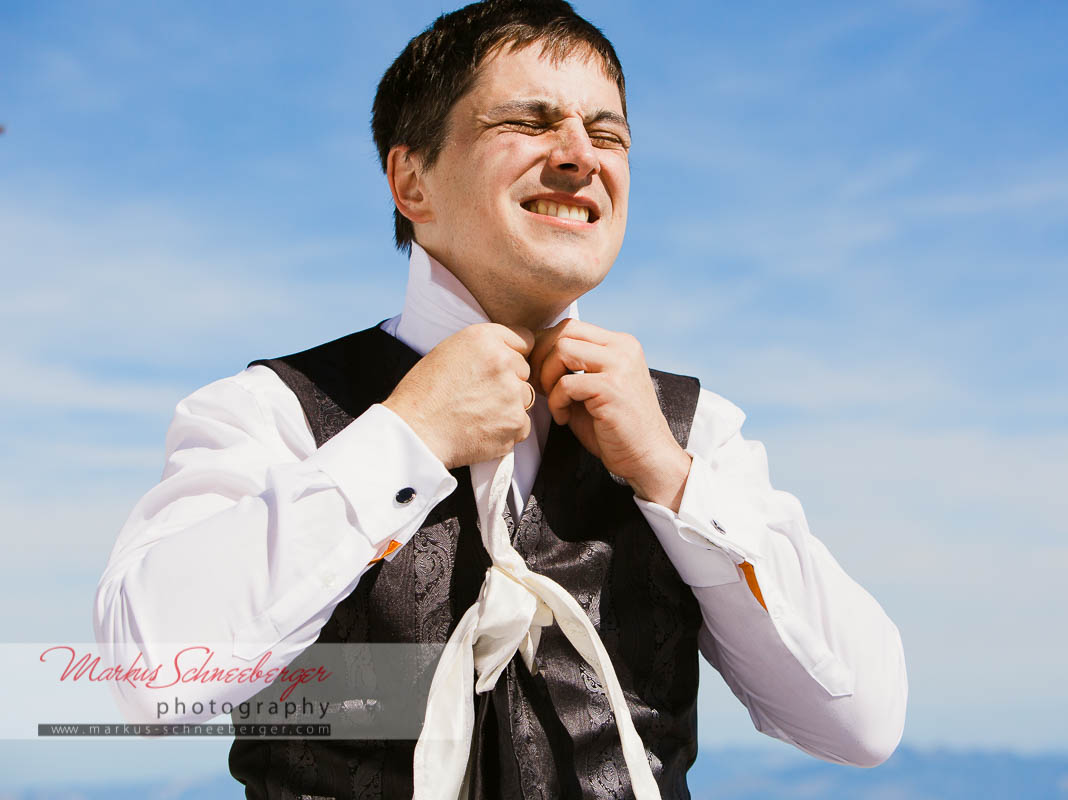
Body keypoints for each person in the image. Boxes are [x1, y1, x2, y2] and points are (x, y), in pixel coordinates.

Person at [94, 1, 908, 797]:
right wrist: (404, 439)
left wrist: (670, 477)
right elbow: (149, 678)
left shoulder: (698, 435)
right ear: (412, 181)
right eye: (530, 121)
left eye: (608, 132)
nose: (580, 156)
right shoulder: (271, 413)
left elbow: (862, 725)